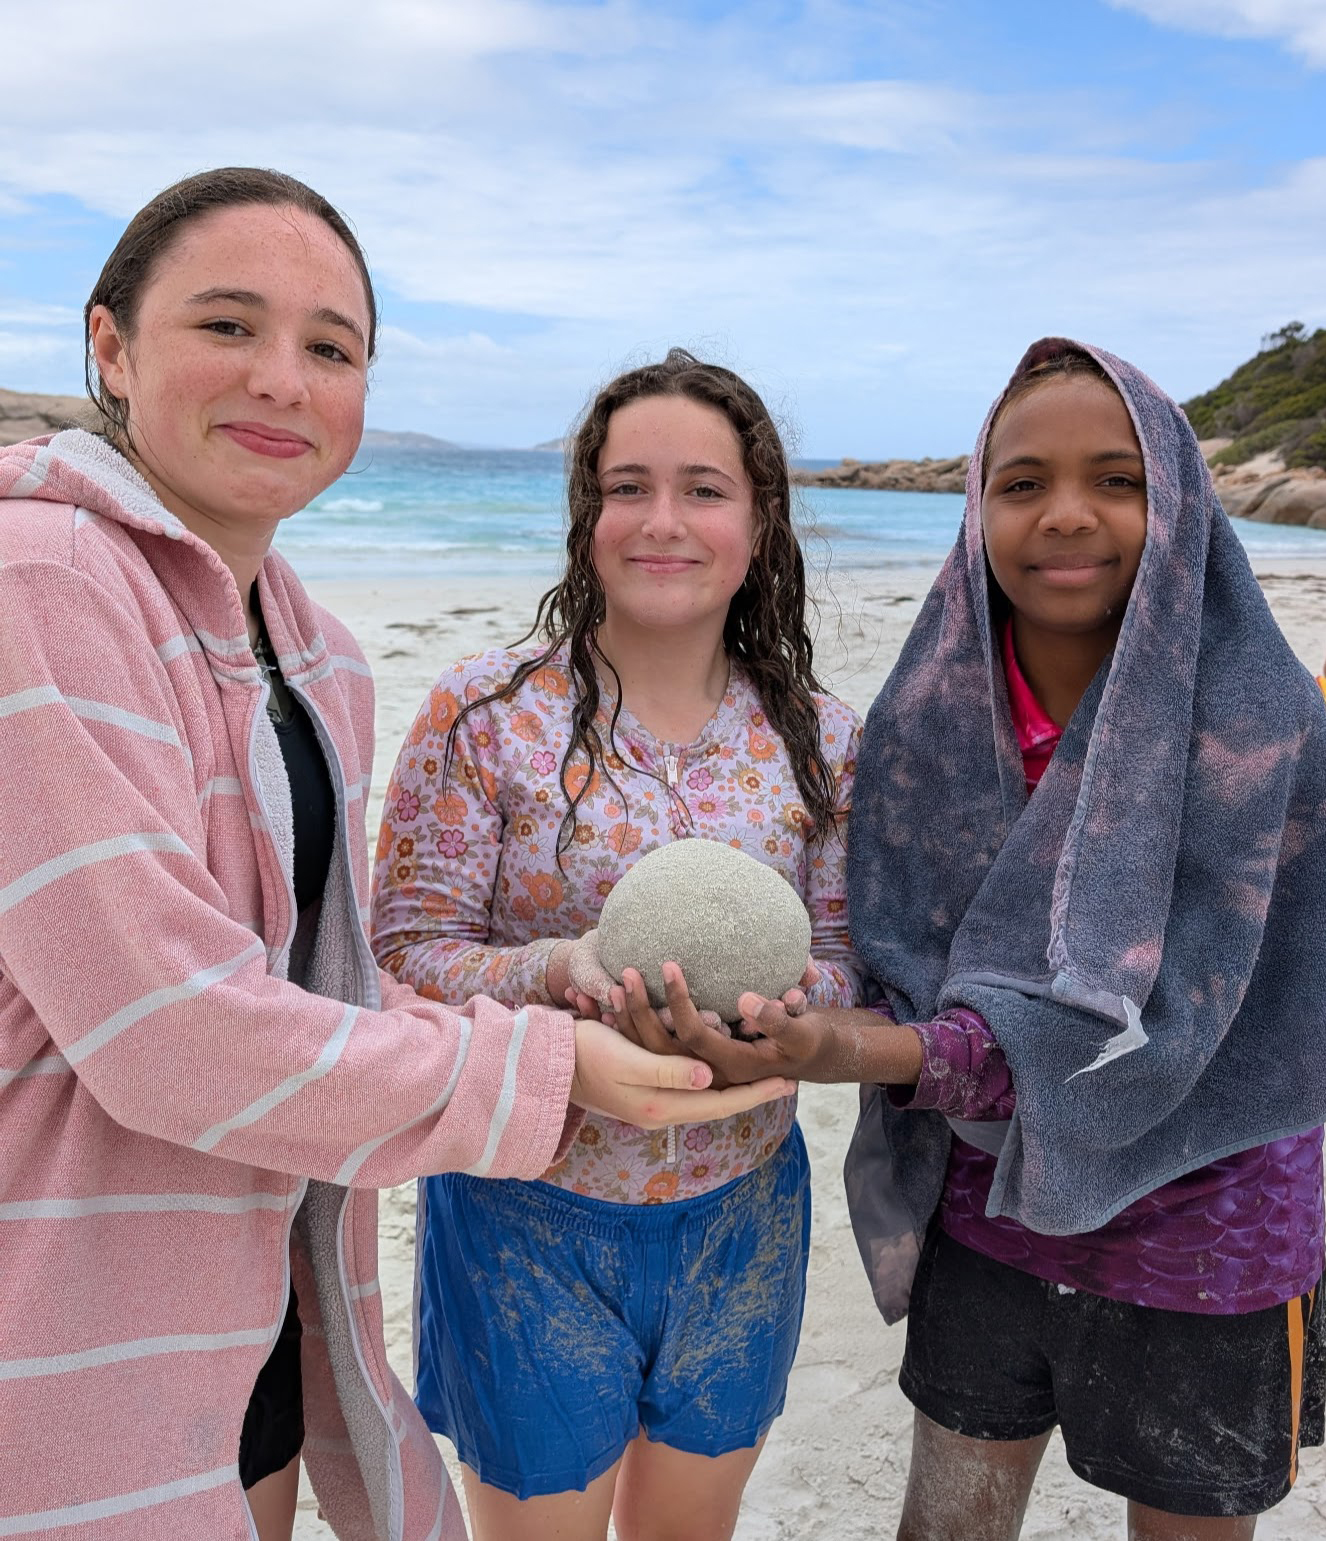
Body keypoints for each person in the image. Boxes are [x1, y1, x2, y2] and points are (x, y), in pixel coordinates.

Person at [0, 171, 793, 1541]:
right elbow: (168, 1029)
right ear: (111, 349)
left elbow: (330, 990)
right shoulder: (42, 587)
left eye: (330, 347)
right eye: (228, 325)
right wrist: (551, 1049)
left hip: (247, 1294)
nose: (281, 381)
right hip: (71, 1295)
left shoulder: (314, 655)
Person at [620, 340, 1326, 1539]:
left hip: (1204, 1220)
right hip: (990, 1198)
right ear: (975, 506)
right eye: (1021, 482)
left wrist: (865, 1051)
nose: (1066, 515)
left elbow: (1172, 1019)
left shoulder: (1259, 730)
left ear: (1186, 503)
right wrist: (811, 1023)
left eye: (1118, 478)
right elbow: (887, 954)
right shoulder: (924, 722)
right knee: (946, 1521)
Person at [370, 349, 863, 1541]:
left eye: (703, 488)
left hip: (742, 1205)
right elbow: (405, 949)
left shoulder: (821, 740)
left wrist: (786, 1021)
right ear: (586, 512)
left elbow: (848, 959)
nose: (661, 521)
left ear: (759, 521)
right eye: (625, 485)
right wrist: (562, 968)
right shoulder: (483, 714)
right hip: (525, 1202)